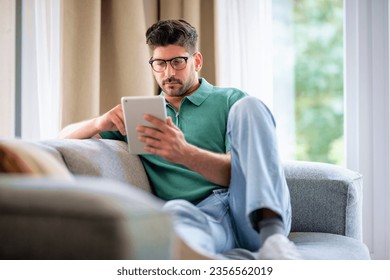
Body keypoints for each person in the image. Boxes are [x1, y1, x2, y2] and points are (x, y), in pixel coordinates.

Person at [59, 19, 301, 260]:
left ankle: (273, 239)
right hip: (201, 217)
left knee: (250, 106)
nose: (169, 72)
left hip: (249, 209)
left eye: (177, 62)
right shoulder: (140, 116)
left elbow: (241, 174)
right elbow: (63, 139)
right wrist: (99, 122)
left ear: (196, 61)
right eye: (160, 64)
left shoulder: (230, 100)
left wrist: (183, 153)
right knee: (175, 213)